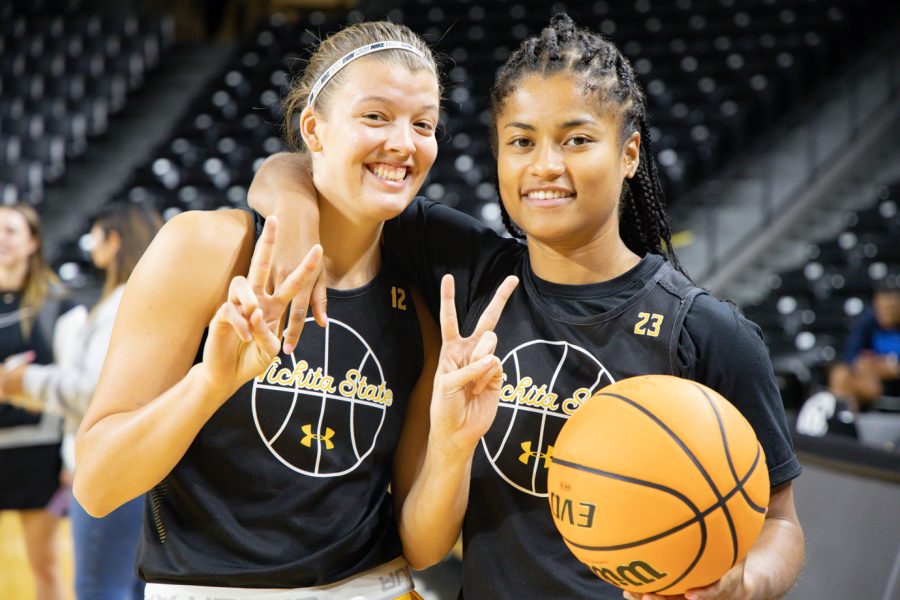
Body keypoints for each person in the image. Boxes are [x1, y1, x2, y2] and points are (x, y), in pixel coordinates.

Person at [250, 14, 805, 600]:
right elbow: (303, 167)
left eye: (577, 139)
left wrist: (747, 583)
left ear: (630, 153)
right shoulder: (465, 267)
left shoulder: (706, 332)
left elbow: (782, 523)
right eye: (521, 141)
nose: (545, 165)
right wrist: (296, 214)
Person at [73, 21, 515, 599]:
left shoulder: (426, 299)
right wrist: (208, 385)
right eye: (376, 116)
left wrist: (454, 449)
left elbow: (423, 547)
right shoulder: (206, 249)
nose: (404, 143)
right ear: (314, 128)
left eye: (424, 124)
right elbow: (98, 486)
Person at [1, 203, 162, 599]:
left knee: (96, 587)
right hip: (120, 459)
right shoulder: (129, 300)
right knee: (125, 585)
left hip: (101, 461)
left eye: (10, 230)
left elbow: (95, 390)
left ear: (114, 240)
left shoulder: (106, 305)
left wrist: (24, 381)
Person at [0, 203, 72, 600]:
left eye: (11, 230)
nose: (1, 239)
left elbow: (73, 385)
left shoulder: (57, 305)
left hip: (39, 454)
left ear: (32, 242)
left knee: (44, 565)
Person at [844, 281, 900, 401]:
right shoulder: (867, 321)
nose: (886, 313)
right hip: (875, 379)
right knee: (841, 375)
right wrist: (862, 364)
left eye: (892, 308)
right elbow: (851, 355)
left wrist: (894, 368)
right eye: (881, 308)